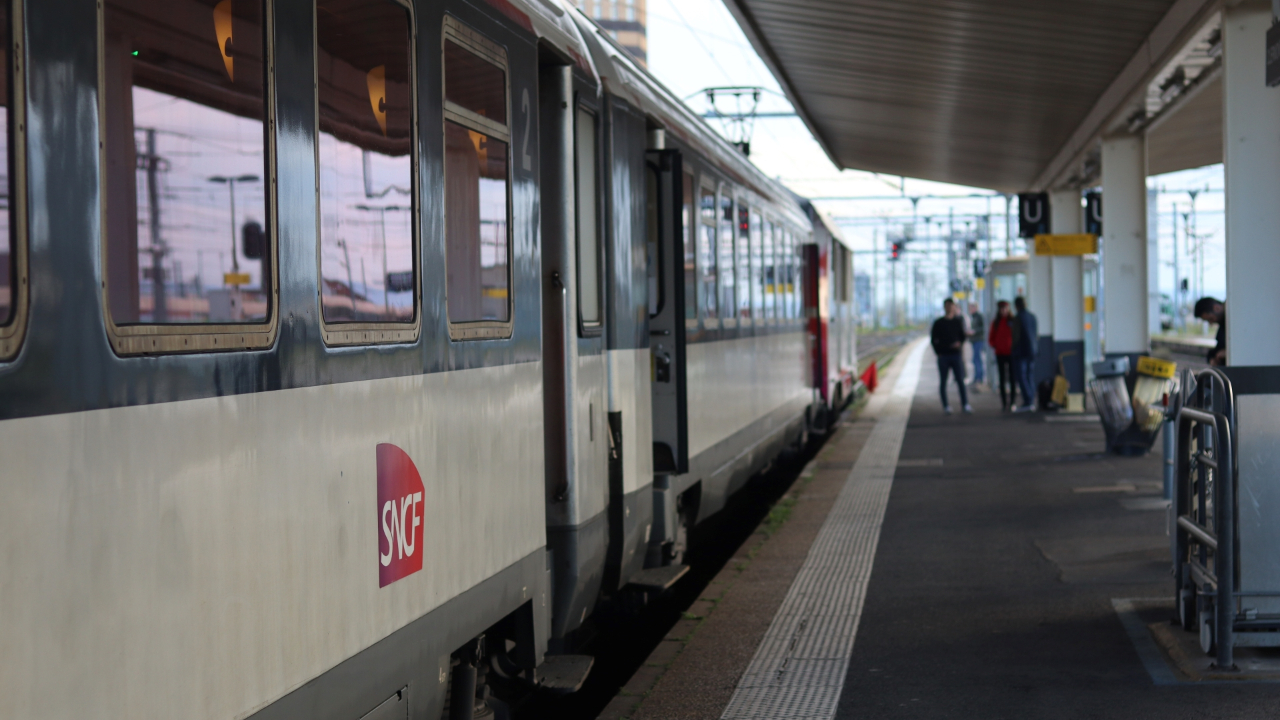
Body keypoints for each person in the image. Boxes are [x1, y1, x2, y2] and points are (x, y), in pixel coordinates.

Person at [931, 298, 971, 415]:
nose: (949, 308)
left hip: (956, 355)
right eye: (947, 305)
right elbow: (933, 340)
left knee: (960, 380)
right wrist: (938, 352)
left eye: (951, 305)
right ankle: (946, 406)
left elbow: (963, 336)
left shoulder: (958, 321)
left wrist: (959, 344)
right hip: (943, 356)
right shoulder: (938, 323)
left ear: (954, 307)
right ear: (944, 307)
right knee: (943, 381)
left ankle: (965, 404)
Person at [1010, 296, 1038, 412]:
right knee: (1029, 375)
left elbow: (1016, 336)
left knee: (1022, 377)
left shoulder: (1018, 318)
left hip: (1021, 351)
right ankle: (1031, 399)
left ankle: (1028, 401)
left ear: (1016, 306)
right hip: (1032, 351)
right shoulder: (1032, 317)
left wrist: (1013, 348)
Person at [988, 300, 1014, 410]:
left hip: (1012, 354)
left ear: (1008, 309)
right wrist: (995, 345)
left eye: (1005, 308)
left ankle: (1012, 402)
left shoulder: (1013, 321)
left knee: (1012, 378)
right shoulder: (996, 322)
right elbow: (991, 338)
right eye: (1001, 309)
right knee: (1002, 379)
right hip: (1000, 354)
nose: (1003, 311)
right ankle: (1004, 403)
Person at [1194, 297, 1226, 366]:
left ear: (1216, 308)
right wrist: (1211, 358)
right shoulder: (1223, 325)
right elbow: (1218, 348)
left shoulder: (1231, 324)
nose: (1211, 323)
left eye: (1210, 319)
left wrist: (1229, 352)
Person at [968, 302, 987, 390]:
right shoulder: (973, 317)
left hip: (978, 340)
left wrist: (974, 331)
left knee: (977, 359)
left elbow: (983, 328)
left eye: (971, 308)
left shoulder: (979, 316)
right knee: (975, 359)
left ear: (975, 308)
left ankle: (979, 378)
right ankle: (977, 377)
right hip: (974, 341)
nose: (970, 310)